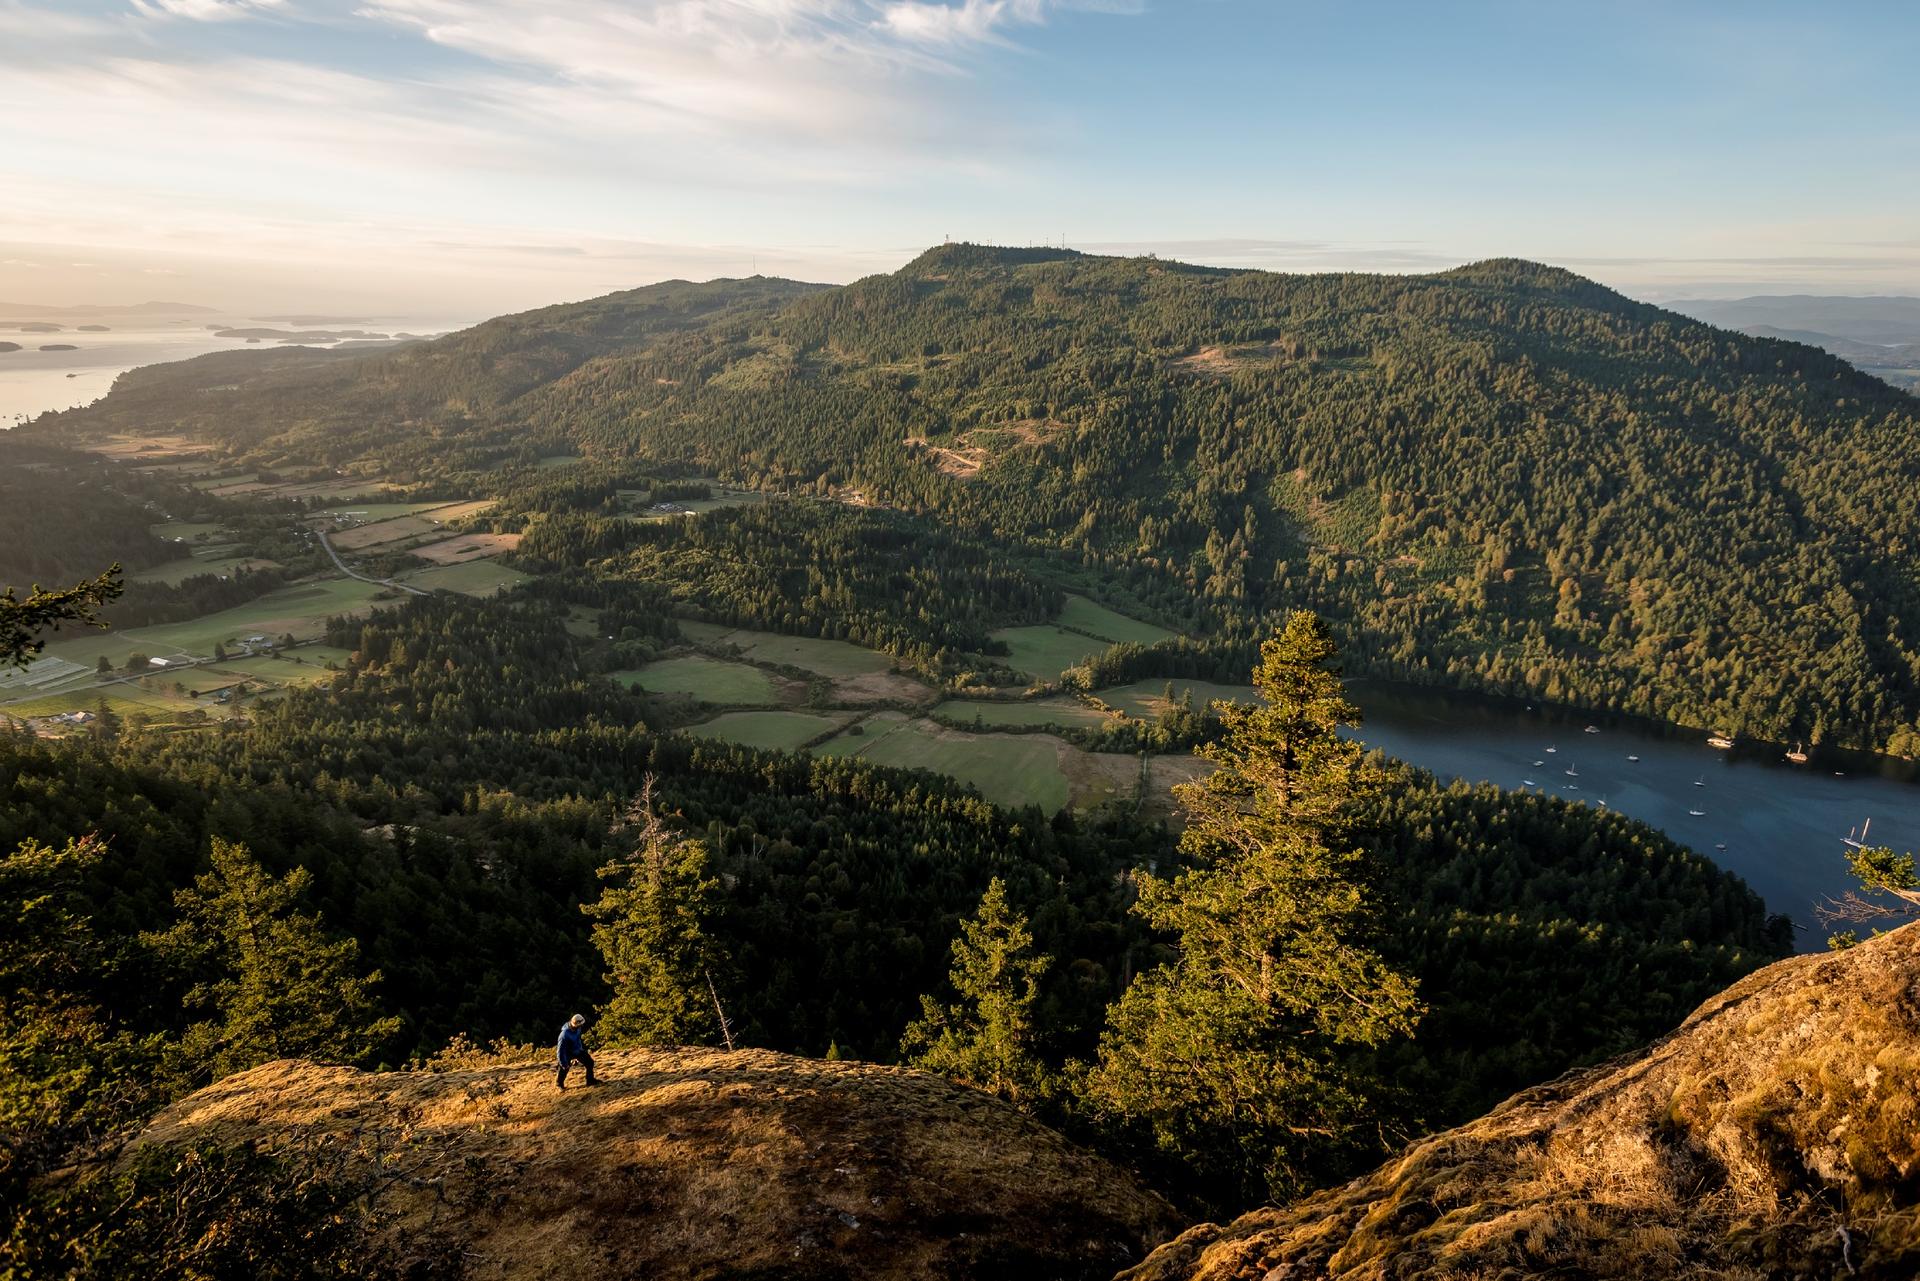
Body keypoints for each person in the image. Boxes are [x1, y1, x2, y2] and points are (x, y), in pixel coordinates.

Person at [556, 1013, 599, 1089]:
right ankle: (559, 1084)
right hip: (566, 1053)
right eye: (580, 1024)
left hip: (577, 1050)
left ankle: (590, 1080)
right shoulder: (564, 1035)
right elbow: (560, 1052)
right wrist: (564, 1063)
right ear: (576, 1024)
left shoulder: (578, 1029)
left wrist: (580, 1050)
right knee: (564, 1069)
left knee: (590, 1062)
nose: (582, 1026)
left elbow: (578, 1040)